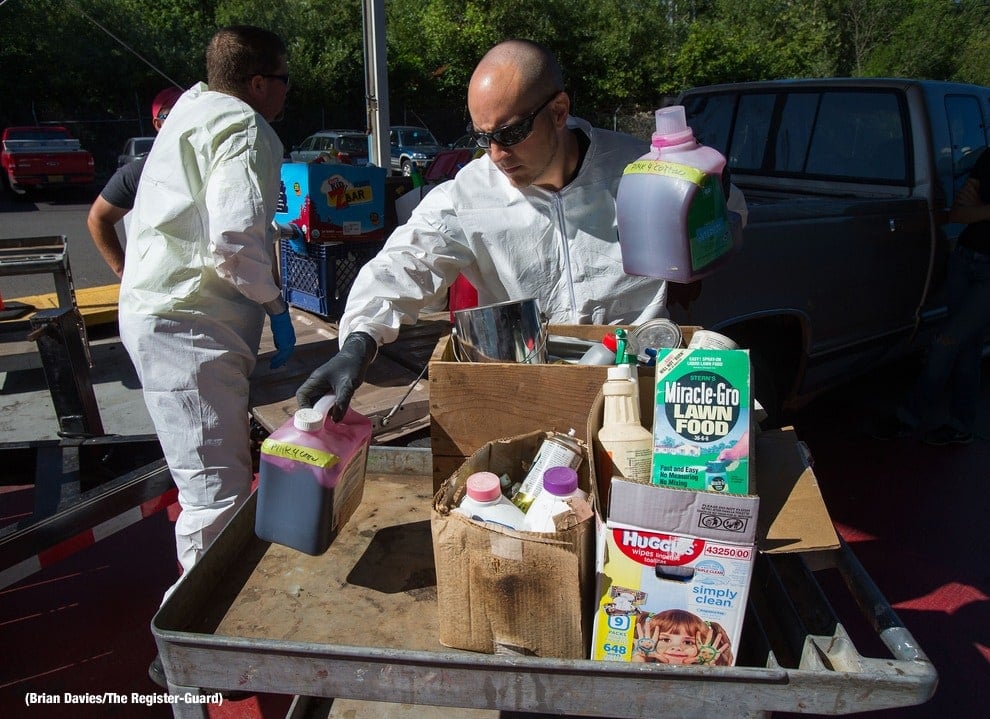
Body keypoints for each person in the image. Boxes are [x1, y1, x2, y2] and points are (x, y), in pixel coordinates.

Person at [295, 39, 747, 419]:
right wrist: (358, 341)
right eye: (481, 136)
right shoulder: (469, 196)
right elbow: (405, 261)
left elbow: (731, 215)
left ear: (558, 111)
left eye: (509, 133)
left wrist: (712, 212)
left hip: (641, 385)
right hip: (532, 394)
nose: (495, 153)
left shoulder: (639, 173)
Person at [116, 25, 296, 687]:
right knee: (214, 494)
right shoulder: (246, 128)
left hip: (167, 312)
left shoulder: (191, 110)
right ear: (258, 83)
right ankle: (192, 648)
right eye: (283, 80)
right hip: (192, 325)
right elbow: (233, 237)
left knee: (210, 477)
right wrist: (275, 302)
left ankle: (200, 636)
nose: (285, 93)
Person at [873, 147, 990, 445]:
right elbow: (958, 213)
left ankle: (908, 416)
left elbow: (970, 211)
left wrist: (980, 209)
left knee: (945, 342)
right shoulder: (988, 157)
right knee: (966, 348)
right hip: (964, 261)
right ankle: (960, 424)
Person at [86, 86, 183, 278]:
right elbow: (98, 219)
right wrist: (124, 271)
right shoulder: (140, 171)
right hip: (156, 290)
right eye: (173, 114)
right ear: (158, 124)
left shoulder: (212, 164)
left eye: (188, 112)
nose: (182, 119)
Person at [631, 609, 733, 666]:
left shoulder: (702, 672)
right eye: (665, 639)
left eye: (688, 642)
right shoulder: (642, 663)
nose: (676, 647)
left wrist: (706, 669)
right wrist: (639, 658)